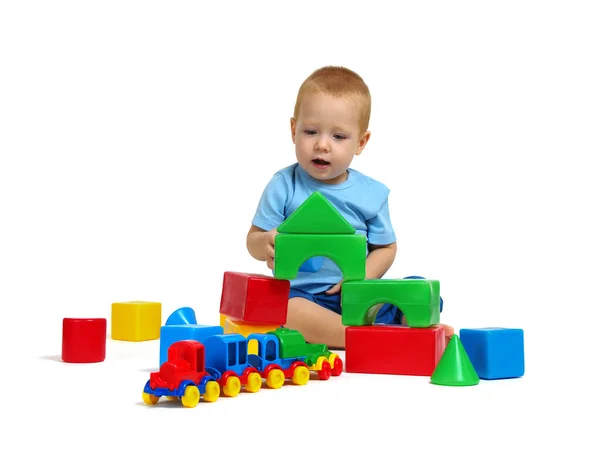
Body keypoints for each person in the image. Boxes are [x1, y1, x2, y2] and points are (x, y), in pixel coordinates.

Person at [246, 65, 453, 348]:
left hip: (359, 294)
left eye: (339, 137)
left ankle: (409, 325)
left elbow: (386, 248)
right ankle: (364, 337)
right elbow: (253, 240)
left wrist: (361, 279)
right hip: (304, 298)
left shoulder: (371, 194)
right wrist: (266, 243)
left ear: (361, 142)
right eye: (310, 131)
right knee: (287, 312)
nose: (322, 145)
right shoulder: (284, 184)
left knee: (419, 287)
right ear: (294, 130)